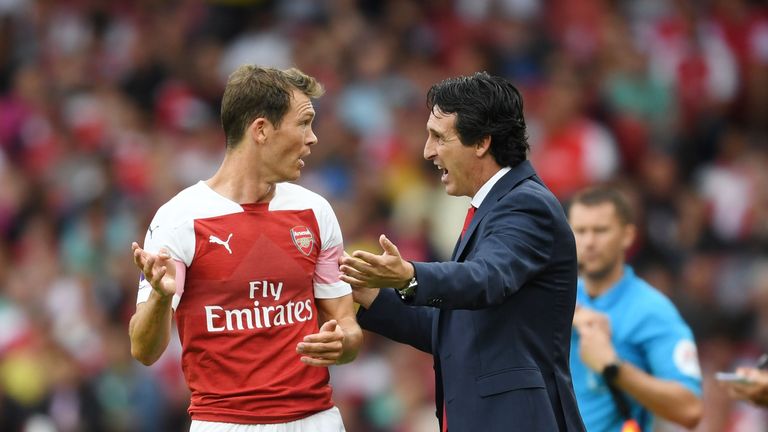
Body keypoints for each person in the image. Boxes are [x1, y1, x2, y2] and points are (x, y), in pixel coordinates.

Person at [339, 72, 586, 431]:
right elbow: (454, 330)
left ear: (482, 142)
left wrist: (410, 275)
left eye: (439, 137)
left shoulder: (526, 206)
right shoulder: (491, 210)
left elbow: (487, 278)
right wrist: (372, 296)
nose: (427, 151)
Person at [128, 65, 362, 432]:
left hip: (317, 419)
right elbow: (144, 350)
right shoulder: (180, 219)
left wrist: (343, 340)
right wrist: (159, 298)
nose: (313, 138)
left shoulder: (315, 211)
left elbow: (347, 327)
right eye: (303, 123)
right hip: (225, 422)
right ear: (261, 130)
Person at [567, 186, 703, 432]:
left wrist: (613, 367)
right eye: (580, 231)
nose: (589, 241)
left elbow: (690, 409)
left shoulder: (651, 310)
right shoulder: (555, 299)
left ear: (628, 236)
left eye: (601, 230)